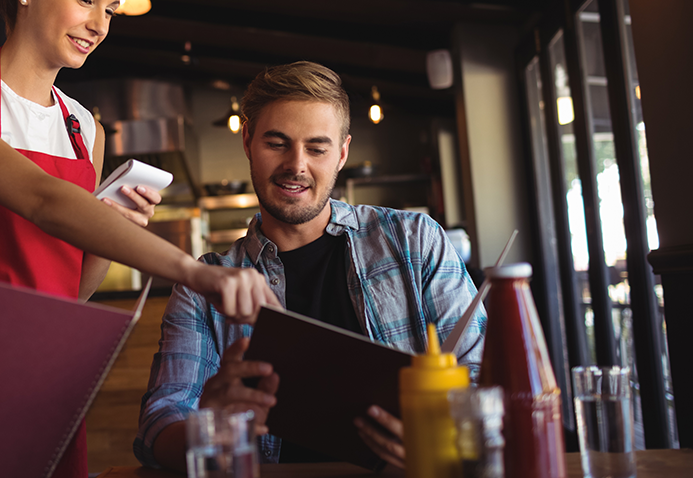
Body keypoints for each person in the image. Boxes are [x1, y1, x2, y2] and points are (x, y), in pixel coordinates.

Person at [0, 0, 279, 477]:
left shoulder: (83, 128)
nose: (99, 24)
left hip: (44, 368)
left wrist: (114, 224)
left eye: (111, 10)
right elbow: (41, 199)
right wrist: (195, 272)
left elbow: (72, 289)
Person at [134, 62, 487, 471]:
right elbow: (159, 426)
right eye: (277, 143)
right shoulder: (204, 284)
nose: (296, 165)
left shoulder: (415, 241)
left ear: (342, 153)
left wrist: (440, 435)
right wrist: (208, 428)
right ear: (247, 140)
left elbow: (482, 377)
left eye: (316, 148)